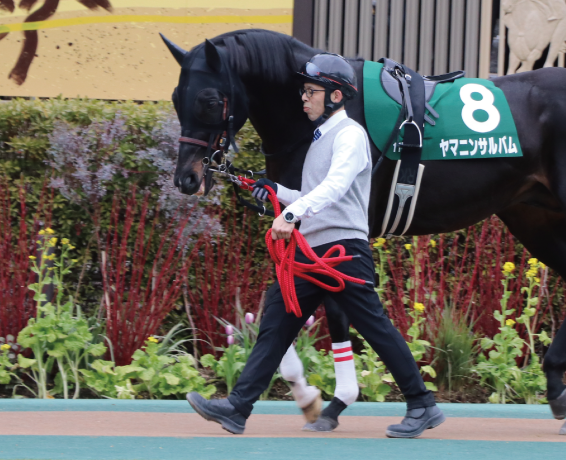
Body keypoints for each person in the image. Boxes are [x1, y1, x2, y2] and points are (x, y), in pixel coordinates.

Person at [186, 53, 444, 438]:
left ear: (336, 96)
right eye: (305, 91)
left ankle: (422, 404)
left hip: (343, 252)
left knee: (374, 327)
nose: (304, 98)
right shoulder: (323, 138)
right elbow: (313, 194)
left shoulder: (350, 135)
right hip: (314, 253)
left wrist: (289, 216)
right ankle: (237, 407)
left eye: (312, 91)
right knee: (275, 324)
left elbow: (336, 187)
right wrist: (278, 193)